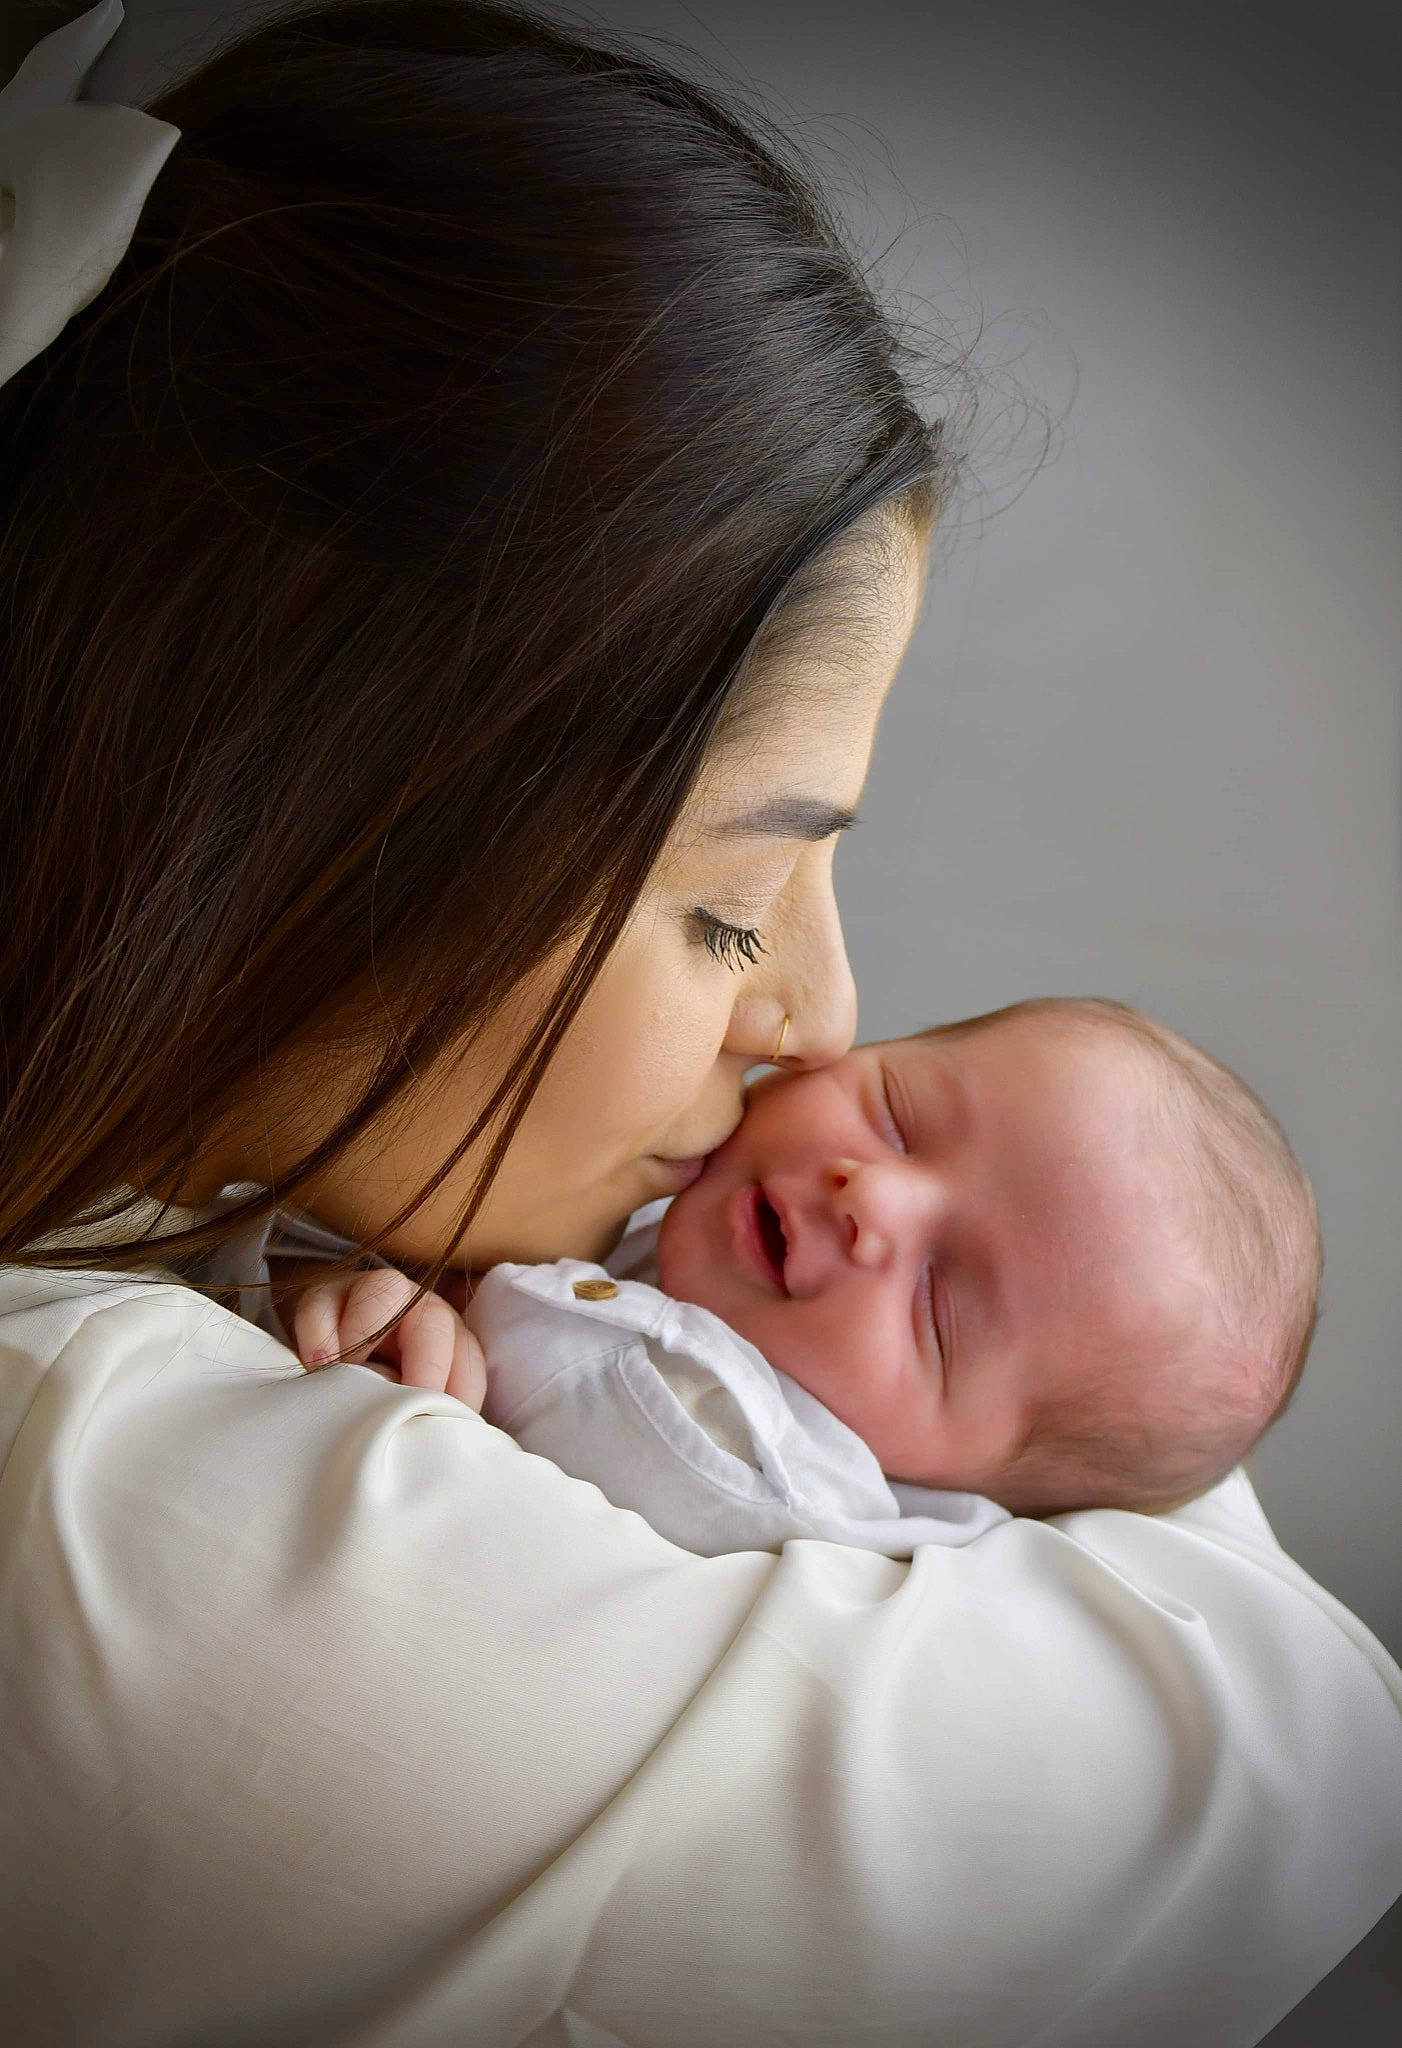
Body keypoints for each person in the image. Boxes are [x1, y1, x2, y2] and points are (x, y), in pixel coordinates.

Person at [2, 6, 1400, 2046]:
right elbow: (1293, 1733)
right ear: (292, 816)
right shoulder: (99, 1494)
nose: (820, 1025)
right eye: (730, 902)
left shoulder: (214, 1232)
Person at [254, 995, 1322, 1560]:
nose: (875, 1198)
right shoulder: (650, 1189)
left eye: (939, 1305)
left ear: (952, 1480)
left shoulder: (772, 1488)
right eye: (901, 1113)